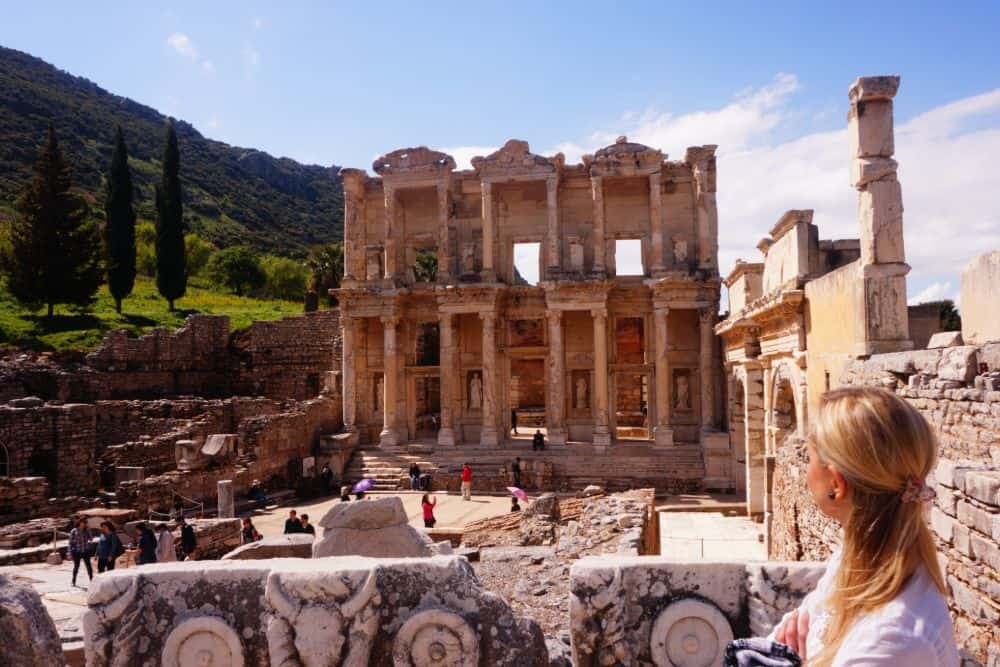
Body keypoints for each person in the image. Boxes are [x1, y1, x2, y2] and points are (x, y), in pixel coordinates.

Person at [768, 387, 959, 666]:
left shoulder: (892, 642)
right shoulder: (858, 560)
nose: (806, 474)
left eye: (809, 458)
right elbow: (785, 636)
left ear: (836, 484)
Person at [68, 518, 93, 586]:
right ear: (79, 523)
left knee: (89, 566)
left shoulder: (86, 530)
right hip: (77, 551)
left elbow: (91, 539)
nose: (83, 524)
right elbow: (70, 543)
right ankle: (73, 581)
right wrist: (69, 552)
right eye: (82, 522)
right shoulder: (74, 531)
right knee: (76, 566)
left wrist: (89, 531)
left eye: (85, 523)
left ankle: (92, 580)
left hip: (85, 551)